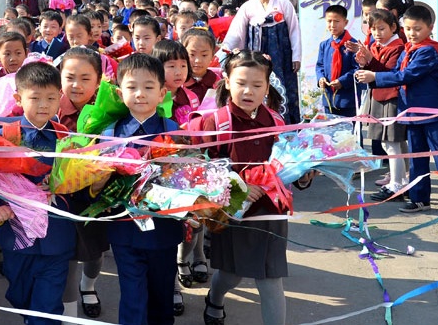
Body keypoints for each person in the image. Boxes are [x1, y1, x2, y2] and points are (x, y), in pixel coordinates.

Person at [201, 50, 314, 325]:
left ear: (267, 87)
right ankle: (214, 299)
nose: (248, 91)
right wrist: (237, 186)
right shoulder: (215, 122)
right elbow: (201, 170)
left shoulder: (276, 121)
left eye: (257, 85)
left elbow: (286, 166)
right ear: (227, 81)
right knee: (231, 273)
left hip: (271, 212)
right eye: (241, 83)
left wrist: (304, 175)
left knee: (270, 277)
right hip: (233, 213)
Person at [0, 62, 73, 325]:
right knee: (20, 296)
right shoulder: (3, 137)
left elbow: (81, 185)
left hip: (56, 237)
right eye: (35, 98)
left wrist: (70, 184)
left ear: (60, 98)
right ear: (18, 98)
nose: (44, 104)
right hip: (16, 236)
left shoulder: (68, 139)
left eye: (51, 98)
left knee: (47, 308)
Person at [94, 53, 183, 325]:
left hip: (164, 229)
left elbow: (185, 178)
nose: (140, 94)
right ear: (121, 93)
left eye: (149, 87)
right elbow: (97, 184)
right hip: (125, 230)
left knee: (161, 294)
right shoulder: (110, 133)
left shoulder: (174, 131)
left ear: (162, 93)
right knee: (132, 296)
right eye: (132, 87)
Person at [356, 5, 438, 213]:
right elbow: (393, 72)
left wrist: (374, 77)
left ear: (430, 27)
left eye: (418, 29)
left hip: (431, 115)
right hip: (411, 115)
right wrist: (369, 63)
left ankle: (419, 197)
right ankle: (420, 198)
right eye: (409, 29)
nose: (412, 33)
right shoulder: (408, 50)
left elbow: (406, 76)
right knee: (415, 159)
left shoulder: (428, 51)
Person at [56, 48, 108, 318]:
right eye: (70, 77)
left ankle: (89, 284)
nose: (76, 85)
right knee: (66, 255)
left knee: (94, 251)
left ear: (98, 81)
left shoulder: (108, 113)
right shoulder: (50, 108)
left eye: (85, 78)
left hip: (95, 197)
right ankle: (69, 311)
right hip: (59, 197)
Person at [222, 0, 301, 123]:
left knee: (283, 89)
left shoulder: (284, 4)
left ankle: (286, 125)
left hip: (281, 54)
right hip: (255, 54)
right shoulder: (247, 7)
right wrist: (226, 48)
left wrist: (296, 56)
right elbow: (236, 31)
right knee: (256, 85)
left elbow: (294, 31)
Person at [349, 9, 406, 202]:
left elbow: (390, 74)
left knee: (391, 143)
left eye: (381, 29)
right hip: (378, 97)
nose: (377, 33)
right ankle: (400, 181)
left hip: (391, 98)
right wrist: (364, 63)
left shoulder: (397, 47)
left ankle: (397, 184)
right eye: (373, 30)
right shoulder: (377, 45)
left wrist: (370, 62)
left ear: (393, 27)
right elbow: (373, 70)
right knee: (388, 143)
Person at [315, 5, 359, 117]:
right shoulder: (324, 45)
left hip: (347, 99)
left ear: (345, 22)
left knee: (350, 132)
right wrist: (321, 78)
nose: (332, 25)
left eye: (336, 21)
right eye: (329, 21)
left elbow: (357, 69)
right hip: (328, 97)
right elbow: (319, 66)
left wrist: (342, 81)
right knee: (330, 131)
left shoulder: (353, 45)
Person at [182, 28, 220, 100]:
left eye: (204, 55)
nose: (198, 60)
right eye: (192, 54)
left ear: (212, 56)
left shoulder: (217, 83)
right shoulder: (178, 81)